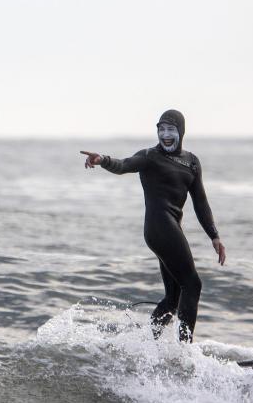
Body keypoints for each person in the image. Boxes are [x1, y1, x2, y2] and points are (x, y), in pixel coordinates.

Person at [80, 110, 225, 343]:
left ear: (181, 132)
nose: (165, 135)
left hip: (169, 228)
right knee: (193, 285)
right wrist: (103, 160)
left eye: (171, 130)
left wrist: (214, 235)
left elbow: (201, 201)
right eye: (161, 129)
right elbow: (124, 164)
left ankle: (150, 345)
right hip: (159, 227)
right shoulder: (150, 156)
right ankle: (184, 353)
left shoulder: (192, 162)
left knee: (174, 296)